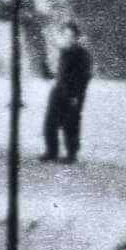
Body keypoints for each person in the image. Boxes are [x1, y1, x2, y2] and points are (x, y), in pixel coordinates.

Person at [42, 22, 93, 163]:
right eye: (65, 35)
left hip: (73, 94)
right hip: (59, 91)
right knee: (50, 122)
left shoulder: (82, 54)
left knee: (71, 124)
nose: (68, 38)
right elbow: (60, 72)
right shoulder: (64, 51)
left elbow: (85, 76)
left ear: (76, 37)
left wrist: (76, 95)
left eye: (71, 35)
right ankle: (51, 151)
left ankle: (71, 154)